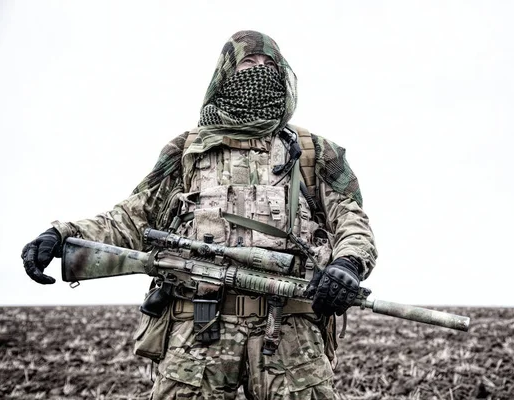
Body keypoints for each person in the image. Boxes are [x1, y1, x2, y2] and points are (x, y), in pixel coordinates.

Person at [21, 30, 377, 399]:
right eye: (249, 63)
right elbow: (135, 217)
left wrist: (347, 264)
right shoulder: (187, 150)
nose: (260, 70)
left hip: (289, 329)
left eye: (270, 64)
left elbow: (350, 218)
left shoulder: (311, 152)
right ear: (226, 72)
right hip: (199, 327)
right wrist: (65, 234)